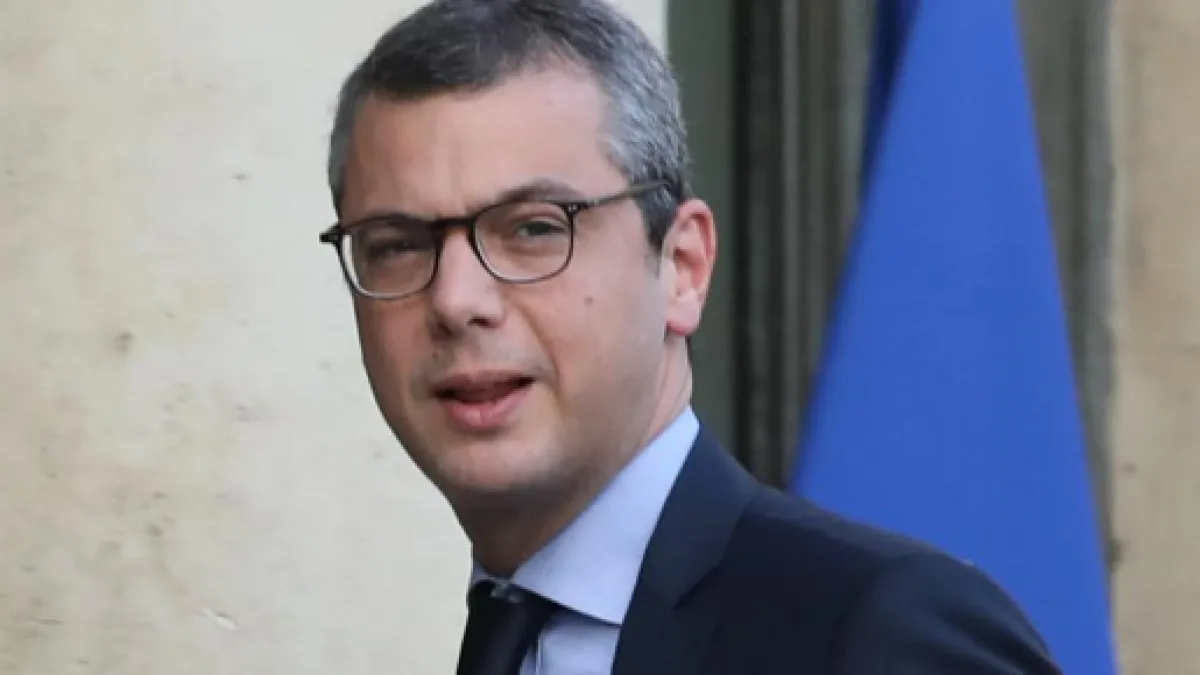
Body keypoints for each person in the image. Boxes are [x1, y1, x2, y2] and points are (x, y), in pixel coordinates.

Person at [318, 0, 1061, 673]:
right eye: (397, 244)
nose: (456, 300)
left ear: (683, 267)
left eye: (534, 230)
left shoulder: (877, 632)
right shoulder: (505, 634)